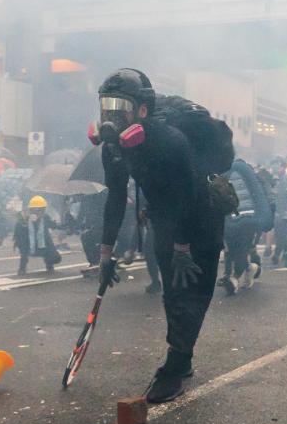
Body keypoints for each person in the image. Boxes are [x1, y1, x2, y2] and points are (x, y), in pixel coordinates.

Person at [95, 68, 231, 403]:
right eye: (106, 105)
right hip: (166, 215)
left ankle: (177, 364)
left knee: (192, 289)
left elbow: (189, 193)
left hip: (202, 214)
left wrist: (183, 246)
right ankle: (180, 358)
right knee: (172, 292)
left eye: (120, 106)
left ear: (142, 110)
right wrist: (104, 253)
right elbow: (114, 198)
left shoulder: (171, 141)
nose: (112, 115)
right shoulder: (113, 148)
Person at [219, 158, 271, 295]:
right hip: (233, 220)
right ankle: (249, 268)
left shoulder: (252, 178)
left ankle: (234, 279)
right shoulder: (225, 176)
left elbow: (263, 197)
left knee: (241, 249)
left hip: (248, 220)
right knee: (233, 250)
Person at [14, 195, 61, 276]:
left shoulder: (45, 218)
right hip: (27, 244)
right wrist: (25, 224)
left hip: (43, 245)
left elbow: (53, 225)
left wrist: (63, 225)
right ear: (31, 210)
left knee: (56, 258)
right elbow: (18, 235)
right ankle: (22, 268)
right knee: (23, 249)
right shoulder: (24, 219)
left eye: (41, 210)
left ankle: (49, 264)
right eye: (35, 210)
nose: (38, 212)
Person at [270, 157, 287, 265]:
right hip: (279, 211)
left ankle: (279, 254)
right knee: (280, 234)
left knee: (285, 234)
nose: (274, 168)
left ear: (282, 166)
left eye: (276, 165)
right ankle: (283, 254)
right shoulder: (276, 177)